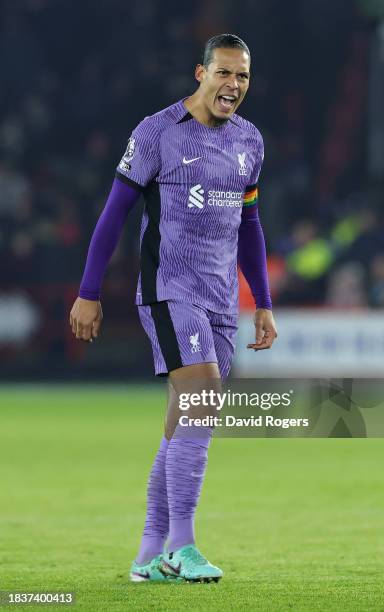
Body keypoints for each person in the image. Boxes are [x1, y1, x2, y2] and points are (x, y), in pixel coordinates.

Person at [69, 33, 278, 584]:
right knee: (204, 403)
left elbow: (250, 226)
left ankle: (146, 556)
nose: (233, 85)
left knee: (183, 424)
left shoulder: (249, 141)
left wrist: (262, 302)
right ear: (200, 73)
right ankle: (182, 546)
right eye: (224, 73)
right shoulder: (157, 132)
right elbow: (113, 215)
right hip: (168, 290)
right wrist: (88, 292)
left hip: (219, 301)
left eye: (243, 77)